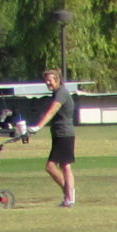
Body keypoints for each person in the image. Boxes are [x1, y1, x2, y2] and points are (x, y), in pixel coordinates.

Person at [24, 69, 77, 207]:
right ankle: (69, 196)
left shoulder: (61, 93)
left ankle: (69, 194)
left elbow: (51, 112)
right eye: (46, 80)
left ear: (58, 79)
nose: (47, 83)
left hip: (64, 134)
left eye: (50, 80)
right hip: (60, 134)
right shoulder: (57, 93)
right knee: (65, 166)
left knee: (52, 166)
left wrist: (38, 127)